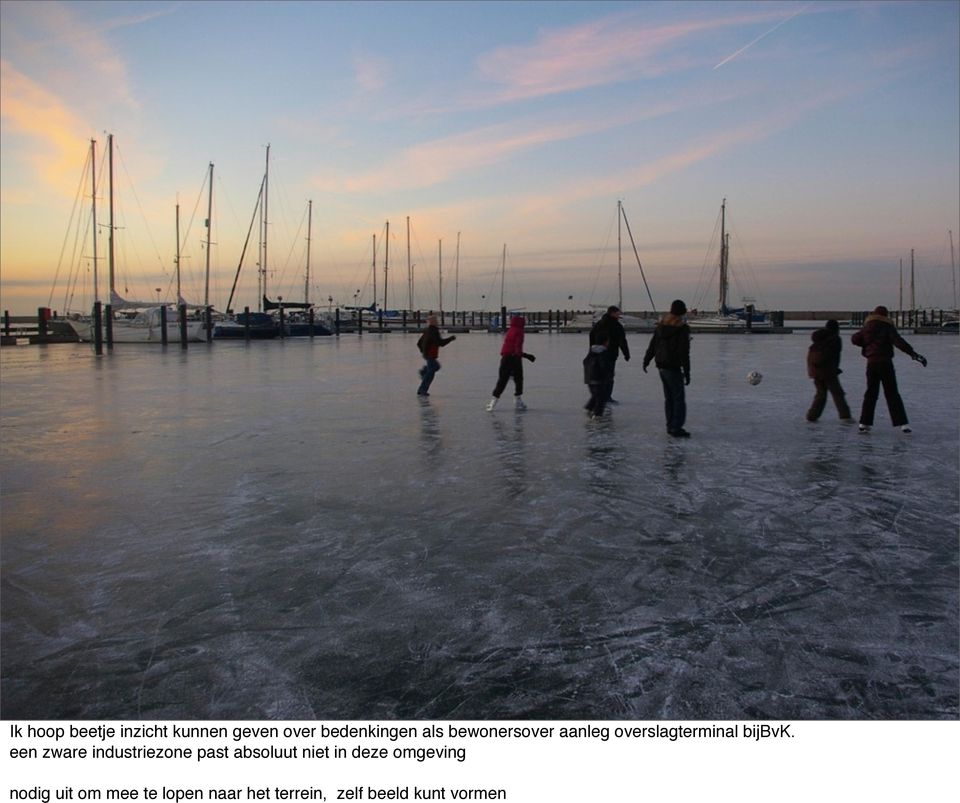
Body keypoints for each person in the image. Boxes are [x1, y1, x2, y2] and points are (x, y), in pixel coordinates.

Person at [850, 305, 927, 433]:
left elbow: (855, 339)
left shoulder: (867, 327)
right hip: (885, 363)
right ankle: (903, 424)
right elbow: (898, 342)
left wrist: (866, 343)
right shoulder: (887, 327)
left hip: (872, 364)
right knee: (892, 393)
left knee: (871, 393)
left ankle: (864, 423)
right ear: (885, 316)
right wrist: (913, 354)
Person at [642, 299, 692, 437]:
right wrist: (687, 372)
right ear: (682, 312)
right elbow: (684, 352)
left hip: (661, 367)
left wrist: (646, 361)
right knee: (678, 399)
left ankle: (671, 425)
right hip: (673, 367)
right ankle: (676, 427)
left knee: (669, 398)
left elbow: (653, 346)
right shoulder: (682, 329)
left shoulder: (661, 326)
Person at [805, 319, 852, 422]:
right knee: (837, 393)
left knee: (821, 394)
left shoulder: (818, 340)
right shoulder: (834, 339)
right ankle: (845, 416)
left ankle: (812, 416)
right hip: (827, 371)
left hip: (816, 370)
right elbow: (830, 355)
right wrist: (833, 369)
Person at [486, 315, 536, 411]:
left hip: (505, 358)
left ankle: (492, 402)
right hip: (515, 358)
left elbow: (507, 345)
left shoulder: (510, 330)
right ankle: (517, 400)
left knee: (502, 381)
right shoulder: (519, 331)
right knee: (519, 379)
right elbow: (517, 347)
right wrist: (528, 356)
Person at [589, 305, 630, 405]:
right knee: (609, 376)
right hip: (610, 354)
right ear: (612, 313)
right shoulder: (616, 325)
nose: (619, 314)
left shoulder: (599, 323)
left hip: (598, 353)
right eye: (617, 313)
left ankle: (598, 396)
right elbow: (622, 341)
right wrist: (626, 354)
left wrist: (592, 348)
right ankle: (607, 397)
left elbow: (591, 335)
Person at [416, 315, 456, 396]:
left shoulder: (427, 330)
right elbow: (440, 343)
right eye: (436, 321)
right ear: (434, 322)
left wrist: (423, 351)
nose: (438, 322)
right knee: (431, 372)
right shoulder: (433, 331)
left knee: (436, 367)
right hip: (430, 354)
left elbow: (419, 343)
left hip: (427, 354)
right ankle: (422, 389)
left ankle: (423, 372)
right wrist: (450, 339)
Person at [583, 343, 612, 419]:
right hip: (599, 378)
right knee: (601, 397)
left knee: (596, 395)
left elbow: (585, 362)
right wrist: (608, 375)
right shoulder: (603, 353)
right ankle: (597, 415)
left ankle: (589, 409)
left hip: (589, 378)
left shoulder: (591, 352)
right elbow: (604, 365)